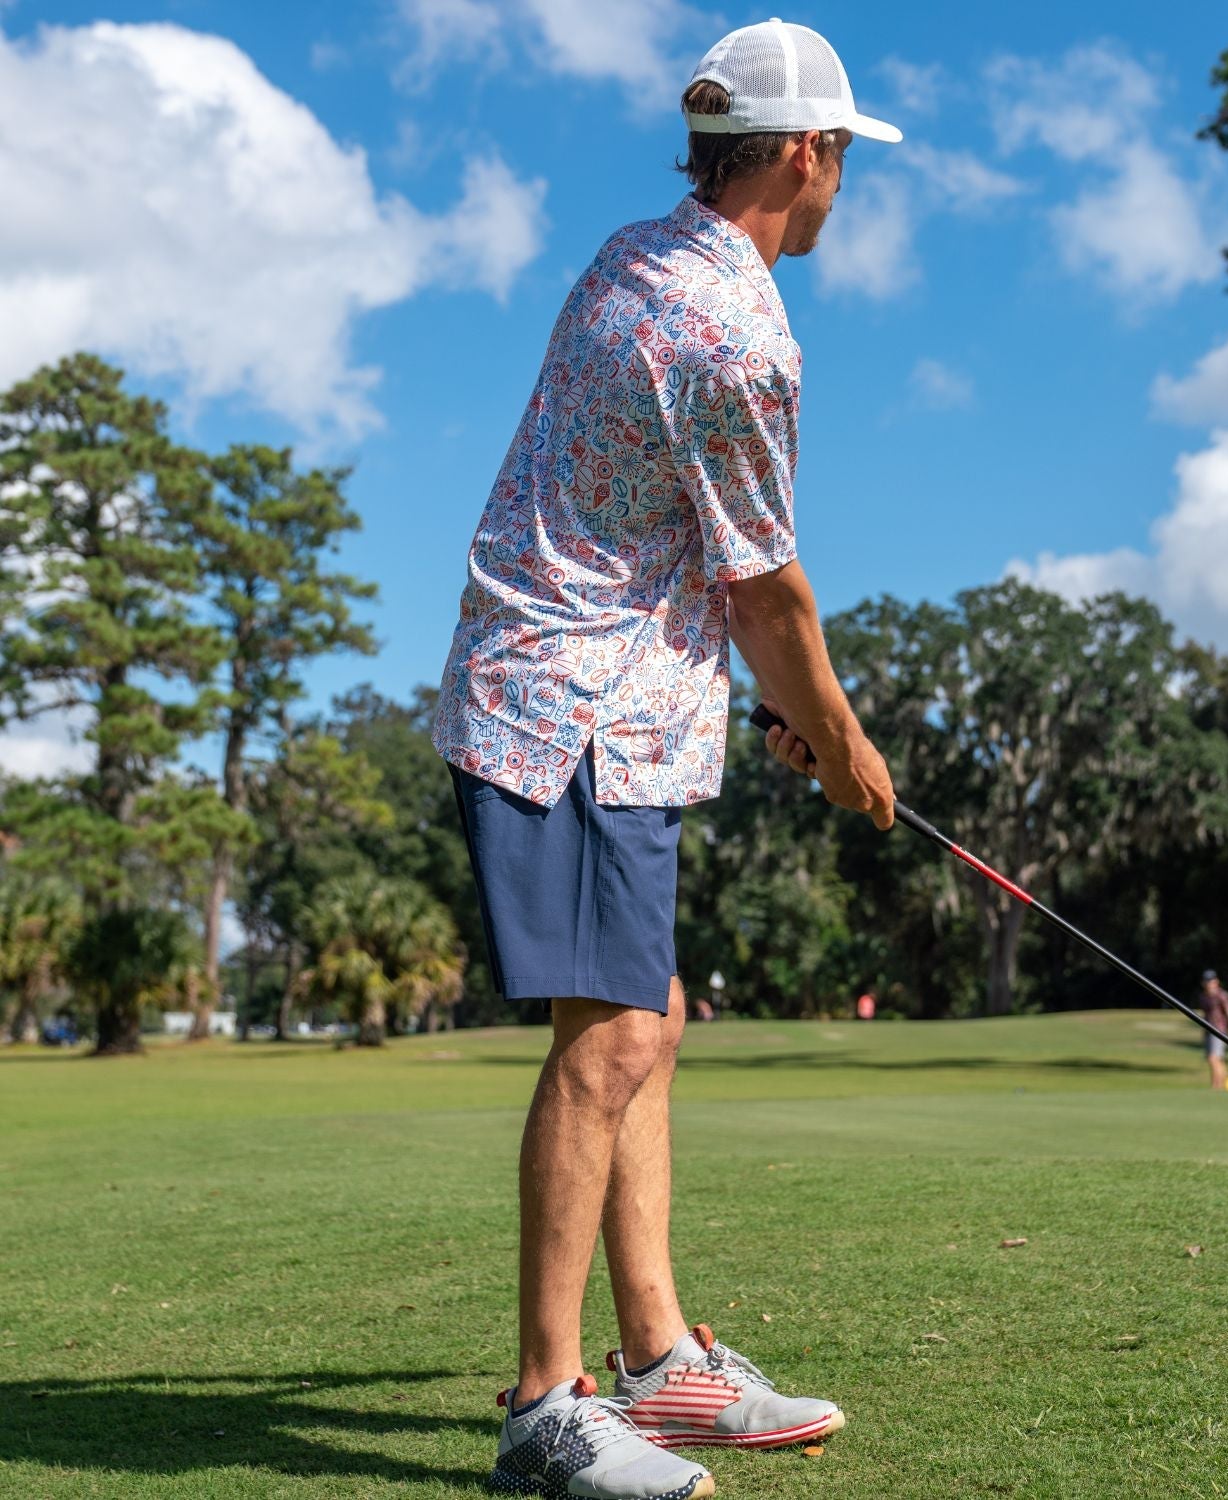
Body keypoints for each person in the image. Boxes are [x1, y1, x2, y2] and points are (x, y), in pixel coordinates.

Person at [431, 19, 900, 1498]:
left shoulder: (638, 250)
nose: (843, 195)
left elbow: (677, 537)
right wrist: (840, 742)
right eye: (843, 165)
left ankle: (658, 1363)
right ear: (810, 155)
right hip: (567, 704)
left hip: (603, 691)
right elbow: (770, 591)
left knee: (653, 1015)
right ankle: (545, 1410)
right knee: (617, 1038)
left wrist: (766, 694)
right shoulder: (739, 333)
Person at [1197, 970, 1228, 1091]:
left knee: (1213, 1058)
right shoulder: (1203, 997)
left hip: (1219, 1031)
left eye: (1210, 981)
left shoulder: (1222, 995)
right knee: (1217, 1059)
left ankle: (1217, 1086)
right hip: (1208, 1031)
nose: (1208, 984)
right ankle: (1219, 1084)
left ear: (1216, 982)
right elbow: (1205, 1015)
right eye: (1206, 981)